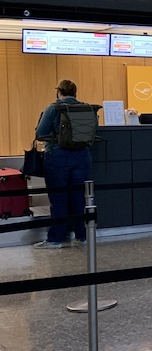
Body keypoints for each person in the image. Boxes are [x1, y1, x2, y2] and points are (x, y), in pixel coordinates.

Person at [34, 79, 94, 249]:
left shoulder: (53, 108)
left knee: (59, 199)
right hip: (82, 158)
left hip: (58, 157)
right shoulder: (86, 107)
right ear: (75, 92)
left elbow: (40, 133)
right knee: (78, 198)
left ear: (59, 92)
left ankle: (55, 239)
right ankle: (82, 236)